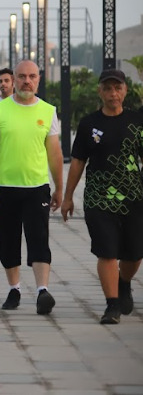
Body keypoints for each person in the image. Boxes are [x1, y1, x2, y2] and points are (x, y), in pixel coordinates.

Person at [62, 69, 143, 324]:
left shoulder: (136, 122)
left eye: (117, 88)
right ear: (100, 91)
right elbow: (77, 162)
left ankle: (124, 282)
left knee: (134, 254)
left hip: (133, 196)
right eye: (107, 89)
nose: (113, 93)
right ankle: (112, 304)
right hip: (99, 198)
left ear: (125, 91)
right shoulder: (89, 124)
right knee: (106, 252)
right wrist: (68, 197)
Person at [0, 60, 62, 314]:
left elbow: (54, 153)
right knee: (8, 240)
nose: (26, 81)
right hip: (4, 187)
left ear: (39, 79)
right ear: (14, 80)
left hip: (36, 187)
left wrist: (60, 188)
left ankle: (42, 291)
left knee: (39, 239)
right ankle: (14, 288)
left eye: (31, 76)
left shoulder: (48, 111)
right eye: (21, 77)